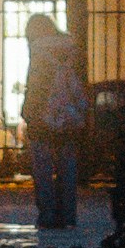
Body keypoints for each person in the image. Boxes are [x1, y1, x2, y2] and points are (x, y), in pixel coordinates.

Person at [20, 12, 92, 236]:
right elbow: (81, 84)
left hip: (43, 117)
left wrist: (28, 112)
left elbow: (36, 86)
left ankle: (48, 215)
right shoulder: (73, 49)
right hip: (70, 116)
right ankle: (67, 214)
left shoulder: (39, 51)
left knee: (43, 169)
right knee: (67, 168)